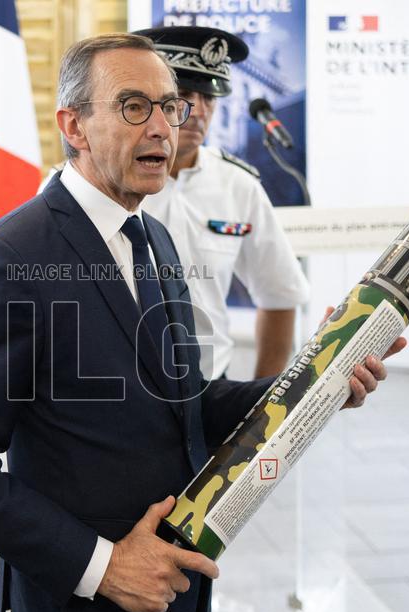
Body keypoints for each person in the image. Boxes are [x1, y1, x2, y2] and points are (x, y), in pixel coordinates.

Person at [0, 33, 404, 612]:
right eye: (132, 107)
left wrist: (316, 384)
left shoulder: (154, 238)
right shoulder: (13, 256)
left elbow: (181, 402)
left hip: (173, 592)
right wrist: (105, 566)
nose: (162, 127)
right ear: (75, 126)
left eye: (170, 107)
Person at [136, 26, 310, 380]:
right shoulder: (99, 180)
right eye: (184, 93)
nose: (199, 110)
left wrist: (261, 407)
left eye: (209, 98)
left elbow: (280, 293)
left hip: (211, 387)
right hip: (121, 396)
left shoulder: (238, 185)